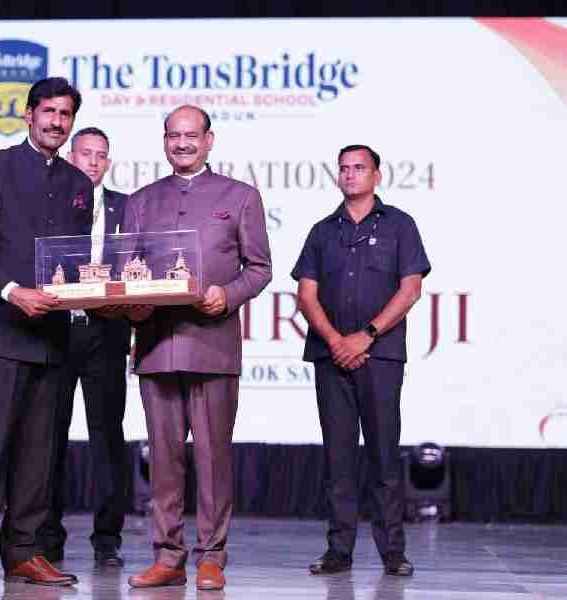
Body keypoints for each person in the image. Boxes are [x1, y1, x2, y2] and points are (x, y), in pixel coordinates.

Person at [119, 106, 272, 591]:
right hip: (156, 347)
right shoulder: (140, 201)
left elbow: (260, 269)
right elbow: (124, 273)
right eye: (173, 135)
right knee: (163, 462)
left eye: (191, 135)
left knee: (212, 458)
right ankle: (167, 556)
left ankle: (212, 556)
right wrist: (133, 307)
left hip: (212, 346)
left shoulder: (240, 196)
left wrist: (228, 294)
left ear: (209, 140)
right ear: (164, 141)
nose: (182, 143)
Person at [0, 77, 93, 590]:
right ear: (29, 114)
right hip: (0, 329)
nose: (57, 122)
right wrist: (14, 292)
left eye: (65, 114)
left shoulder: (79, 183)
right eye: (49, 112)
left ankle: (24, 553)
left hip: (52, 335)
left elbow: (76, 260)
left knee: (39, 453)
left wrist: (97, 291)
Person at [291, 144, 431, 577]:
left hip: (381, 355)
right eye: (344, 168)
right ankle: (339, 551)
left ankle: (393, 552)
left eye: (359, 168)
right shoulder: (321, 231)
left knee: (384, 455)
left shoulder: (400, 225)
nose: (350, 174)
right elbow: (306, 295)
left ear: (377, 176)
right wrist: (337, 341)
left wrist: (366, 336)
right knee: (338, 458)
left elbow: (410, 289)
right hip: (330, 356)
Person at [36, 127, 132, 567]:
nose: (93, 161)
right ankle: (47, 538)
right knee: (48, 437)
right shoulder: (49, 202)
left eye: (101, 155)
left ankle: (107, 540)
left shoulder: (125, 207)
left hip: (107, 333)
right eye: (86, 153)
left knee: (108, 438)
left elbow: (140, 261)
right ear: (70, 157)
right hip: (55, 331)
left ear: (108, 163)